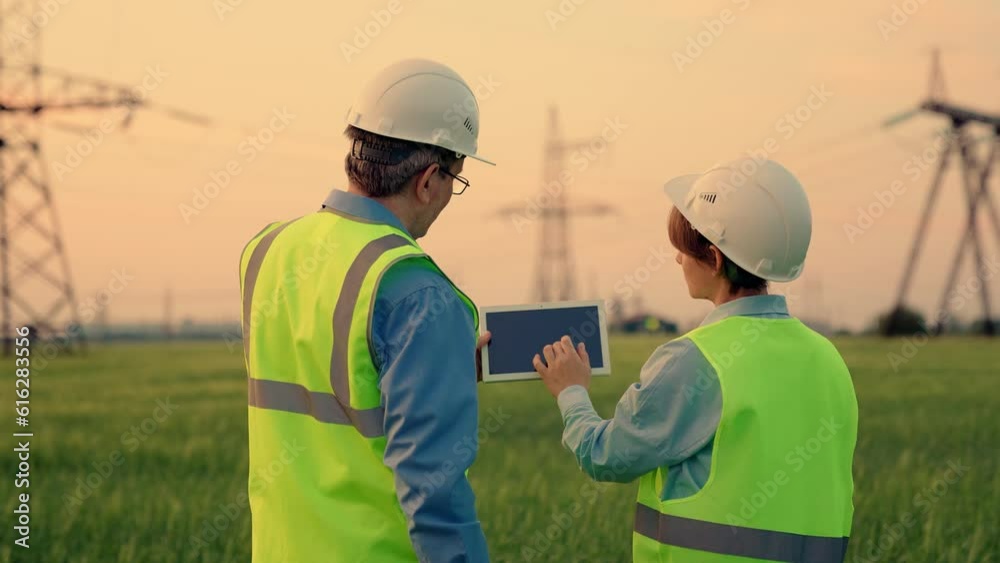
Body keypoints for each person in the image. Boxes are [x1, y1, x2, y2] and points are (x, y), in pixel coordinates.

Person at [532, 159, 859, 563]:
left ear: (715, 258)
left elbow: (608, 457)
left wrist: (571, 392)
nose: (677, 260)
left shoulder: (695, 359)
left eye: (683, 250)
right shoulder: (828, 358)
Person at [239, 59, 494, 563]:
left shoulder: (267, 250)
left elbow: (333, 383)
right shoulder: (418, 292)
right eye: (455, 181)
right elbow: (435, 493)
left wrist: (430, 371)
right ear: (429, 180)